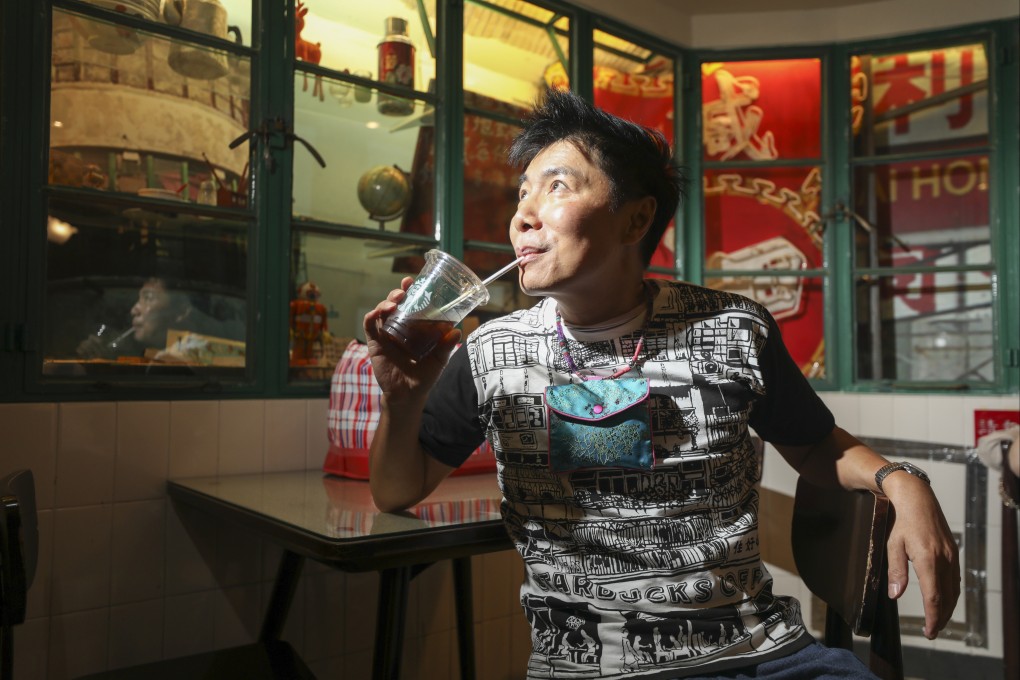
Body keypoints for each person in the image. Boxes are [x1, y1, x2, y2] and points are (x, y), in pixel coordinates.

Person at [363, 89, 960, 679]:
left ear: (638, 217)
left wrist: (902, 480)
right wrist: (404, 398)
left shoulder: (733, 329)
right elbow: (398, 488)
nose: (522, 214)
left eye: (558, 186)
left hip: (760, 655)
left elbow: (813, 445)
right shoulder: (489, 352)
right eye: (523, 193)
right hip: (590, 667)